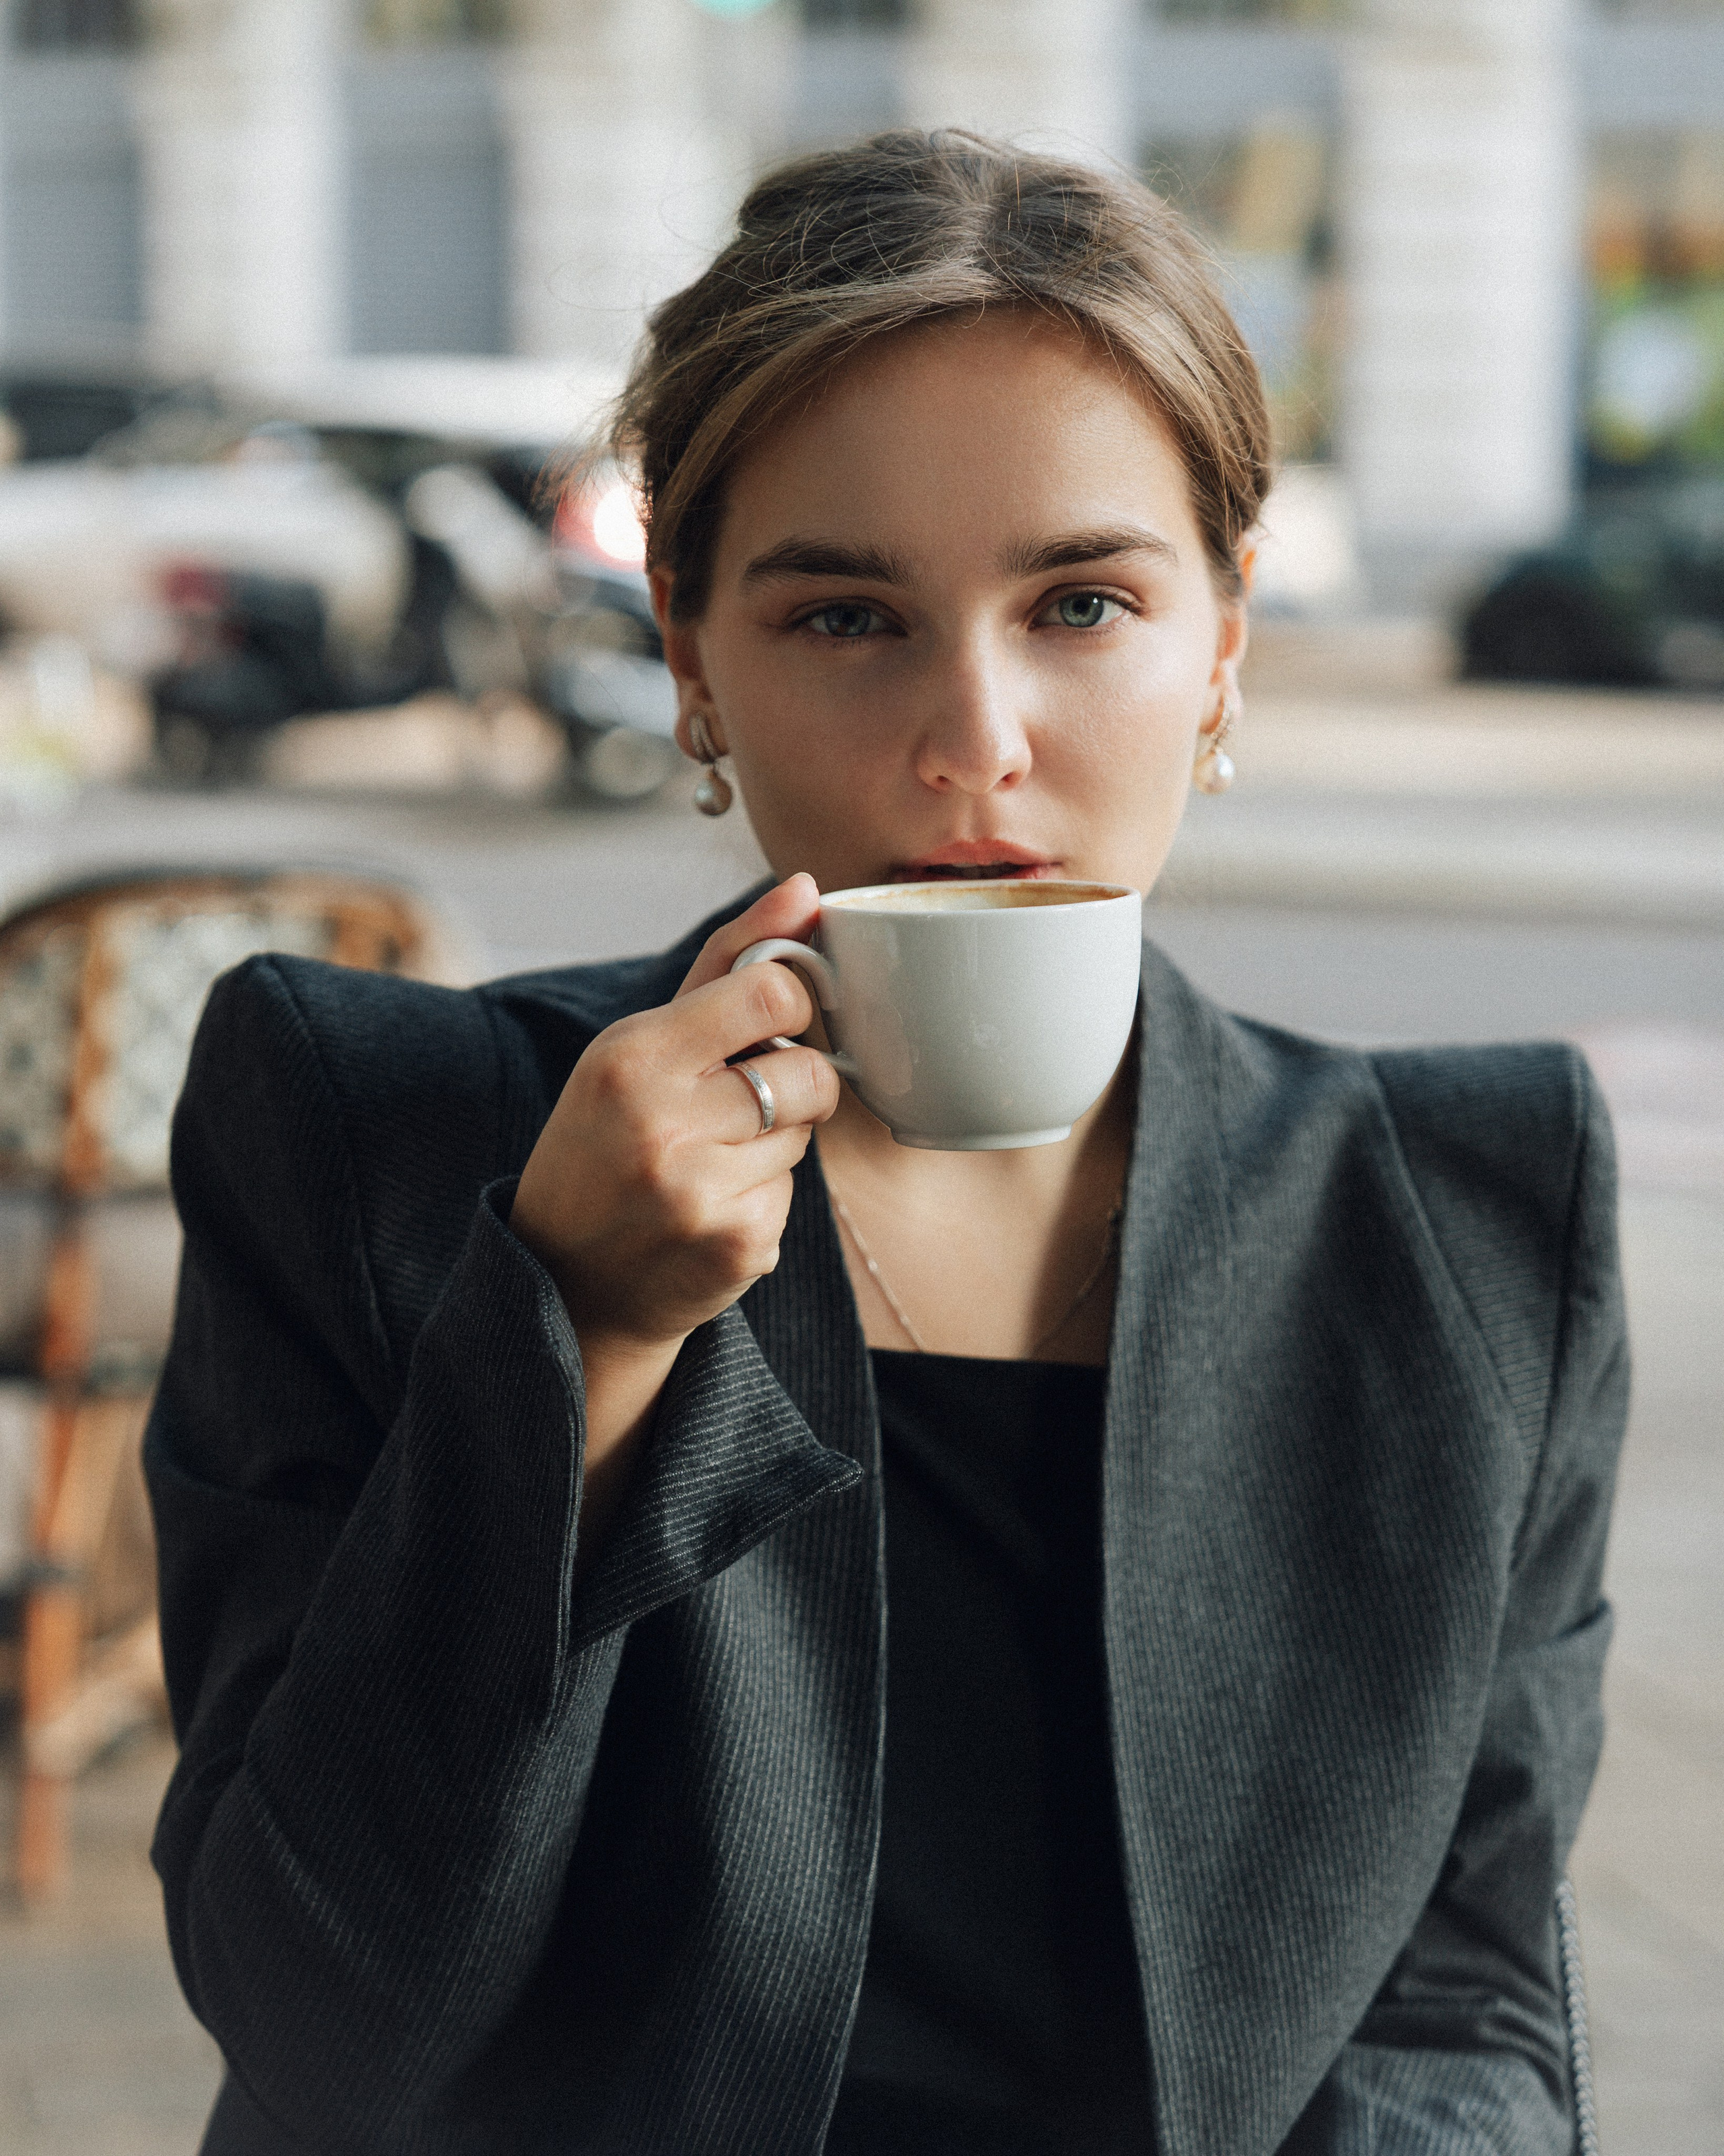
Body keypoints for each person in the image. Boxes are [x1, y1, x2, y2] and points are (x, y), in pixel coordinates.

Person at [147, 131, 1626, 2156]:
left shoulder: (1473, 1214)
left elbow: (1464, 2003)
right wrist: (579, 1338)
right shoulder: (374, 1130)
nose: (975, 741)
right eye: (848, 617)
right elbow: (314, 2021)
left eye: (1083, 601)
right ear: (691, 659)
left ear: (1224, 641)